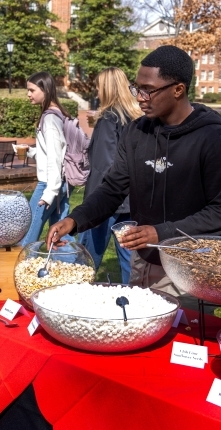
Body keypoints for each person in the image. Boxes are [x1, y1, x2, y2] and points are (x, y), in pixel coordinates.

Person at [46, 45, 221, 295]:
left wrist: (162, 233)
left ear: (178, 89)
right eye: (137, 88)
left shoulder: (212, 139)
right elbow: (113, 189)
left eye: (148, 90)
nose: (139, 97)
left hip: (192, 268)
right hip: (144, 260)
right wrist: (75, 220)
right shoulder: (136, 132)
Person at [77, 67, 143, 284]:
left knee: (85, 259)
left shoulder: (109, 118)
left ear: (106, 88)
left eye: (98, 85)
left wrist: (93, 205)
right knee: (129, 260)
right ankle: (133, 305)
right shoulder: (136, 118)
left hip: (106, 200)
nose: (96, 90)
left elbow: (105, 166)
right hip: (131, 198)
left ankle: (73, 300)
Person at [19, 71, 73, 247]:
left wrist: (50, 192)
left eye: (32, 90)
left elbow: (55, 158)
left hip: (50, 184)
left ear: (45, 89)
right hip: (61, 183)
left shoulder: (50, 119)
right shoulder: (59, 113)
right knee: (61, 236)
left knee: (27, 237)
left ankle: (20, 270)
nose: (28, 94)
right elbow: (54, 152)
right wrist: (32, 152)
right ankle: (71, 268)